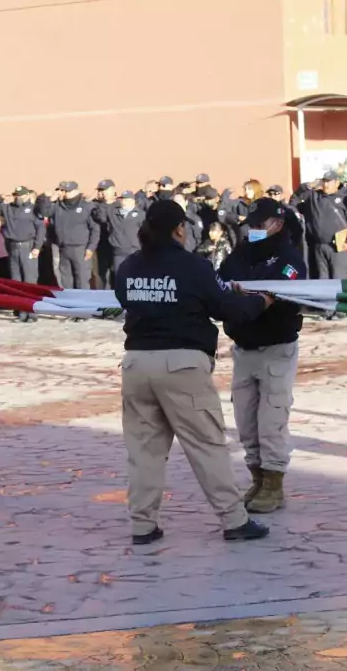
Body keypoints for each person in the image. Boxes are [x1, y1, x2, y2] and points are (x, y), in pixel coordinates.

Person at [114, 200, 274, 545]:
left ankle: (143, 525)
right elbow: (228, 308)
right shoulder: (194, 267)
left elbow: (123, 298)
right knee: (207, 445)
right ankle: (233, 520)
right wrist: (262, 300)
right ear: (179, 229)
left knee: (144, 451)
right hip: (182, 365)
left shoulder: (128, 266)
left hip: (136, 364)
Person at [217, 198, 306, 513]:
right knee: (245, 421)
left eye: (259, 225)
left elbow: (281, 292)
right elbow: (221, 282)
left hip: (275, 348)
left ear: (277, 225)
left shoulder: (289, 259)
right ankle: (256, 477)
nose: (253, 230)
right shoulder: (239, 255)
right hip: (244, 348)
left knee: (272, 420)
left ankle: (273, 485)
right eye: (251, 224)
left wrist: (252, 299)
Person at [0, 186, 46, 322]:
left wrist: (37, 247)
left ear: (27, 196)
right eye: (16, 195)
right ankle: (22, 312)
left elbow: (40, 229)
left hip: (28, 246)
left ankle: (32, 312)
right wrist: (0, 197)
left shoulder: (33, 209)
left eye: (21, 195)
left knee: (29, 281)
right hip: (13, 247)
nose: (18, 198)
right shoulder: (8, 208)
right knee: (16, 281)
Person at [295, 171, 347, 280]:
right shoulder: (314, 197)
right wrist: (308, 185)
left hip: (338, 247)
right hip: (319, 247)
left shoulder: (344, 199)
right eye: (324, 181)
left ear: (337, 183)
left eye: (329, 181)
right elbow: (295, 198)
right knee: (322, 281)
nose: (326, 184)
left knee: (338, 280)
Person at [110, 191, 144, 274]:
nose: (123, 201)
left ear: (132, 201)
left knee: (135, 276)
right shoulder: (113, 213)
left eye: (125, 199)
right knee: (119, 276)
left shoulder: (141, 215)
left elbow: (145, 233)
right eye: (121, 199)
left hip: (135, 251)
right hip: (119, 251)